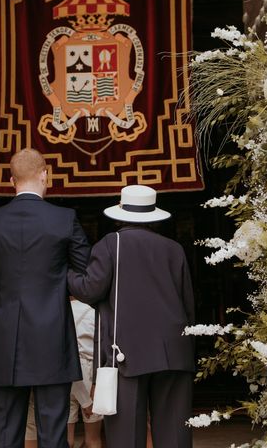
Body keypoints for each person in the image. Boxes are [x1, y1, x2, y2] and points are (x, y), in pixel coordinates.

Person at [0, 148, 90, 448]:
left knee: (6, 433)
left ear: (12, 180)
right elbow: (84, 273)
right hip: (53, 338)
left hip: (6, 340)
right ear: (45, 174)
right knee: (53, 432)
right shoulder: (64, 219)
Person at [67, 184, 195, 448]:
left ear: (119, 214)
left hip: (126, 353)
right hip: (174, 351)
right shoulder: (174, 249)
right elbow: (188, 305)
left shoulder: (110, 245)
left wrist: (65, 273)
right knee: (174, 437)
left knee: (127, 437)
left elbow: (90, 290)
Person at [24, 298, 103, 448]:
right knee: (93, 439)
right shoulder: (94, 311)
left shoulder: (56, 311)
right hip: (89, 373)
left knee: (66, 439)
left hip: (64, 373)